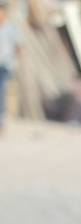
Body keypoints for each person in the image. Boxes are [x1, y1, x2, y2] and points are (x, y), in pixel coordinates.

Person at [0, 1, 21, 136]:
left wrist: (15, 61)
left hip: (5, 66)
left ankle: (1, 123)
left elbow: (19, 47)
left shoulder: (11, 29)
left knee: (1, 92)